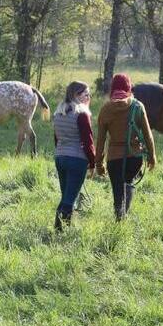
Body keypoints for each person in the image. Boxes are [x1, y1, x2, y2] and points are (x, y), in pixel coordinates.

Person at [95, 73, 156, 220]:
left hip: (114, 158)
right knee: (128, 183)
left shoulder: (105, 109)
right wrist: (152, 156)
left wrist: (98, 163)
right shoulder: (137, 106)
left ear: (113, 88)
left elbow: (101, 140)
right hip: (134, 157)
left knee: (117, 188)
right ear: (129, 87)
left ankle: (119, 217)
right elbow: (148, 135)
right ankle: (124, 215)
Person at [52, 81, 96, 230]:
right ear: (76, 95)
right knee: (70, 199)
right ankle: (59, 230)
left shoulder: (58, 113)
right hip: (77, 159)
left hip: (60, 157)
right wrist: (93, 162)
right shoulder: (82, 115)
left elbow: (56, 138)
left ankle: (64, 227)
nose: (88, 97)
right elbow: (88, 141)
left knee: (66, 195)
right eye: (86, 94)